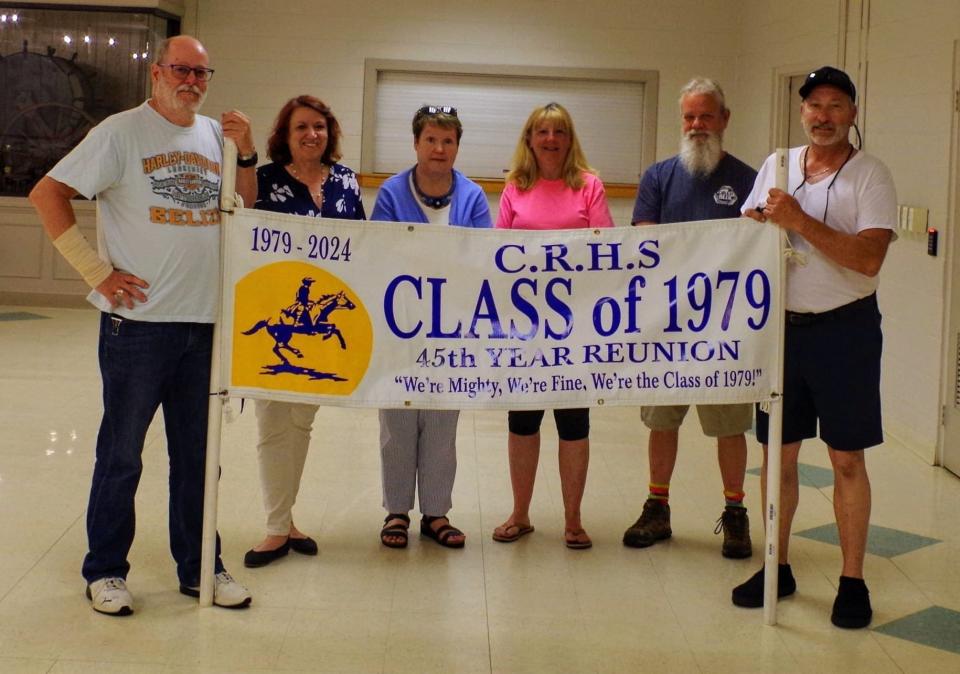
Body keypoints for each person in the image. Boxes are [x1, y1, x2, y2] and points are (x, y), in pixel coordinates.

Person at [28, 35, 257, 615]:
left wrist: (247, 153)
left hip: (203, 325)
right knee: (122, 453)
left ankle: (201, 565)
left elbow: (244, 209)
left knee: (199, 459)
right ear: (156, 73)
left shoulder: (213, 136)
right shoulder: (120, 132)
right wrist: (95, 271)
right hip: (139, 326)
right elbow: (47, 192)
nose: (193, 81)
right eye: (182, 70)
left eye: (203, 73)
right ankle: (105, 570)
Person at [732, 66, 896, 629]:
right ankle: (776, 565)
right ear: (801, 111)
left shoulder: (870, 175)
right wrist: (762, 220)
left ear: (852, 113)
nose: (823, 116)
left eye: (835, 105)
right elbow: (748, 234)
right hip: (781, 332)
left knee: (847, 458)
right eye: (814, 106)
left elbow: (868, 258)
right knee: (776, 453)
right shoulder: (777, 166)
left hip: (845, 331)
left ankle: (853, 580)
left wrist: (798, 220)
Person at [624, 77, 757, 559]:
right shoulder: (658, 176)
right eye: (689, 117)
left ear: (724, 119)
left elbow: (754, 246)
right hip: (667, 325)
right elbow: (645, 240)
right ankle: (657, 506)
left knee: (729, 426)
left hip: (725, 328)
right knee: (662, 420)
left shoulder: (748, 179)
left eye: (705, 115)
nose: (696, 125)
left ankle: (736, 513)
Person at [243, 95, 366, 568]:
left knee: (301, 422)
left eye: (318, 126)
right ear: (286, 135)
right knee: (273, 422)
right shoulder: (267, 179)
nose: (311, 135)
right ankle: (276, 528)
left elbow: (362, 244)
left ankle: (286, 519)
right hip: (278, 302)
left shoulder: (346, 181)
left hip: (328, 316)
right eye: (301, 128)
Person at [492, 102, 614, 550]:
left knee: (573, 423)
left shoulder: (589, 186)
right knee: (522, 421)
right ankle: (520, 513)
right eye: (541, 131)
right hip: (524, 330)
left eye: (558, 132)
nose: (550, 139)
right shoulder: (514, 187)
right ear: (529, 139)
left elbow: (606, 248)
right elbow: (496, 253)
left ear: (569, 139)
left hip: (576, 327)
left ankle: (573, 520)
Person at [371, 105, 492, 548]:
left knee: (442, 423)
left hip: (452, 328)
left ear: (457, 146)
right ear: (416, 143)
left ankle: (438, 513)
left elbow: (482, 258)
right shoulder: (390, 192)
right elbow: (380, 251)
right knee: (398, 421)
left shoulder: (474, 197)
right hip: (399, 325)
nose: (439, 149)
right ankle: (396, 512)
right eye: (431, 140)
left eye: (448, 141)